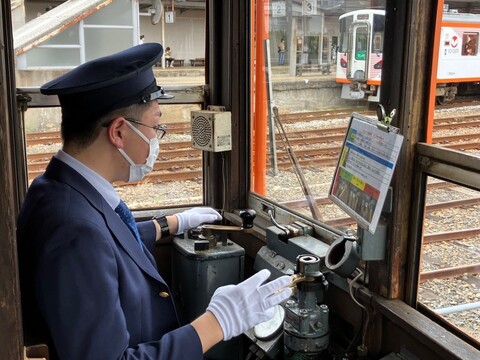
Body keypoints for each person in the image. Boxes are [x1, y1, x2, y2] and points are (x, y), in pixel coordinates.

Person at [17, 43, 292, 360]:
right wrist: (217, 323)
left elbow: (107, 246)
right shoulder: (74, 231)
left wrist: (170, 224)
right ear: (119, 132)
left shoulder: (56, 188)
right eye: (155, 126)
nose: (157, 138)